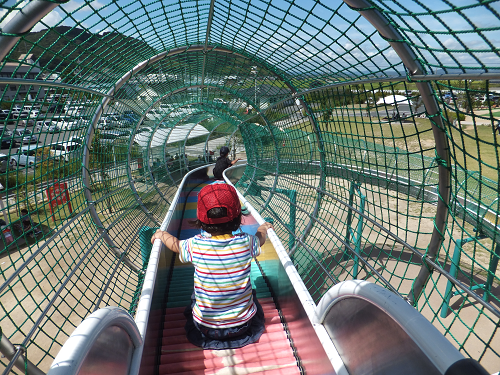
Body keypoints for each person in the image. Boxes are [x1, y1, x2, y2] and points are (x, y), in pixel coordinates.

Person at [151, 184, 273, 349]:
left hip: (207, 329)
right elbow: (261, 239)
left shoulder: (195, 245)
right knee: (251, 295)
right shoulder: (247, 242)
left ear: (201, 220)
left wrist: (161, 234)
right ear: (238, 218)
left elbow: (176, 245)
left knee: (196, 294)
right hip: (243, 326)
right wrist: (262, 227)